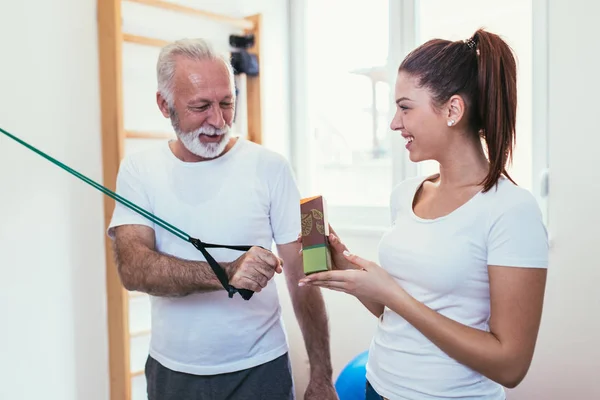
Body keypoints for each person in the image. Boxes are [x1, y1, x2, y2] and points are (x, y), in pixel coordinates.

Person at [299, 28, 549, 400]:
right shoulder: (405, 195)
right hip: (378, 385)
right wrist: (348, 267)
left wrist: (397, 297)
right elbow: (392, 312)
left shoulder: (512, 211)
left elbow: (510, 365)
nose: (394, 123)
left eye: (405, 107)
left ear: (452, 110)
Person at [108, 38, 338, 400]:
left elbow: (303, 277)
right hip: (173, 373)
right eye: (200, 106)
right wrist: (226, 272)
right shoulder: (139, 170)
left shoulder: (271, 167)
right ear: (163, 105)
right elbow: (133, 269)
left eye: (227, 103)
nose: (218, 121)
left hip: (262, 371)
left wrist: (323, 377)